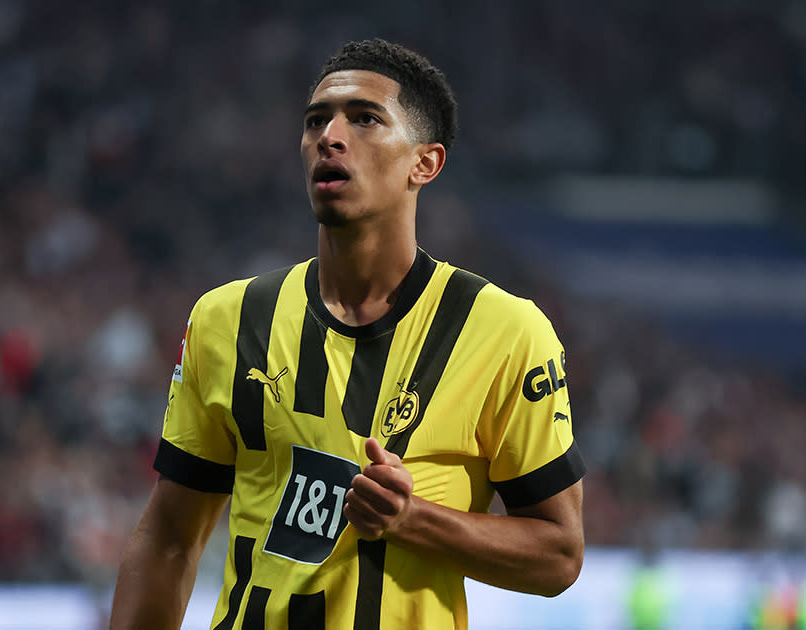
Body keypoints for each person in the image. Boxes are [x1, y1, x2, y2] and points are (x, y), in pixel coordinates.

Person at [109, 39, 585, 630]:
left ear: (425, 163)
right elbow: (170, 539)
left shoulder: (506, 332)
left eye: (365, 119)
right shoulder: (227, 318)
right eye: (316, 121)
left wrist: (413, 520)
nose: (329, 137)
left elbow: (559, 555)